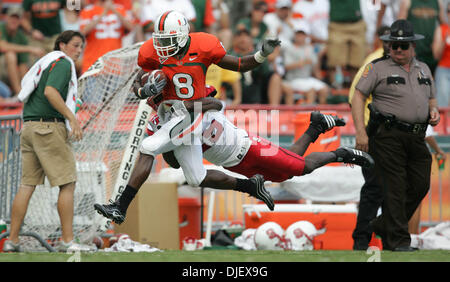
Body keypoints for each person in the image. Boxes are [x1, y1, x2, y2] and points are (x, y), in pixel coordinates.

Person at [94, 10, 282, 225]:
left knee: (148, 146)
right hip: (168, 114)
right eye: (161, 40)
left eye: (170, 40)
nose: (163, 45)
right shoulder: (152, 52)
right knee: (196, 178)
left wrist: (261, 55)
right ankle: (250, 185)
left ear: (183, 35)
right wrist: (143, 92)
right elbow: (137, 84)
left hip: (191, 114)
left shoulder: (203, 45)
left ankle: (120, 207)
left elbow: (239, 65)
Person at [145, 87, 375, 186]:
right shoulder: (160, 125)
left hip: (249, 146)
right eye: (154, 100)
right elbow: (175, 164)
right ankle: (315, 127)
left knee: (300, 167)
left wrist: (189, 108)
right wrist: (169, 141)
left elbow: (216, 103)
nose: (159, 103)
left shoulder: (190, 99)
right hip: (232, 162)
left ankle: (341, 153)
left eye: (159, 97)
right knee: (285, 174)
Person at [352, 19, 440, 251]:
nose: (398, 50)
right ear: (388, 46)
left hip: (416, 136)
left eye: (403, 45)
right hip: (387, 135)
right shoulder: (377, 67)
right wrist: (360, 131)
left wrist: (433, 110)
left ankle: (385, 224)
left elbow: (431, 96)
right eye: (394, 45)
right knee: (396, 187)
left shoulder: (424, 68)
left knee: (420, 184)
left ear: (413, 46)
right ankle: (398, 242)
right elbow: (358, 97)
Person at [2, 30, 86, 253]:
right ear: (62, 45)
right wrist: (71, 118)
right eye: (75, 45)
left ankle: (12, 240)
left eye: (81, 47)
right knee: (67, 183)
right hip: (48, 128)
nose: (79, 51)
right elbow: (51, 92)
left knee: (26, 185)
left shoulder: (44, 62)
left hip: (28, 127)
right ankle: (68, 241)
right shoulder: (62, 63)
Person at [348, 25, 390, 250]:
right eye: (387, 40)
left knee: (389, 190)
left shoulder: (400, 64)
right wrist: (363, 131)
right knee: (375, 188)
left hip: (392, 138)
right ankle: (361, 240)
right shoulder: (373, 62)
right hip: (373, 134)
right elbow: (354, 96)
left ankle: (388, 237)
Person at [0, 6, 45, 99]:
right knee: (10, 55)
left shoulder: (21, 37)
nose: (14, 21)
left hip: (6, 74)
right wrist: (30, 48)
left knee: (32, 62)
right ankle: (19, 94)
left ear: (20, 21)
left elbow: (22, 65)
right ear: (6, 18)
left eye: (17, 19)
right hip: (2, 71)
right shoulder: (1, 27)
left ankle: (24, 93)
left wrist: (26, 87)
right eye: (12, 17)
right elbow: (3, 47)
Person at [79, 0, 134, 74]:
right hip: (92, 65)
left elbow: (131, 27)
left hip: (115, 66)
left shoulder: (120, 9)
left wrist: (114, 10)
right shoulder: (88, 10)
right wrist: (103, 13)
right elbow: (83, 31)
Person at [282, 25, 329, 105]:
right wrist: (302, 63)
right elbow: (286, 66)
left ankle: (322, 112)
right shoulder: (289, 48)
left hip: (307, 78)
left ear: (305, 36)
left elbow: (314, 66)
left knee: (324, 89)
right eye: (298, 34)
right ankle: (308, 114)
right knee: (311, 90)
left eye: (302, 35)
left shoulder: (309, 48)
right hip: (293, 79)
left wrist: (317, 73)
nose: (300, 37)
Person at [398, 0, 446, 74]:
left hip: (432, 53)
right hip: (414, 52)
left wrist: (438, 43)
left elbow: (443, 25)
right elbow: (400, 27)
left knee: (430, 82)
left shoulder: (437, 2)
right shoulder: (408, 1)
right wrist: (407, 47)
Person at [432, 3, 450, 107]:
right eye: (448, 11)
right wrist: (444, 41)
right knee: (442, 104)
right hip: (444, 69)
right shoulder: (441, 29)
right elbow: (436, 56)